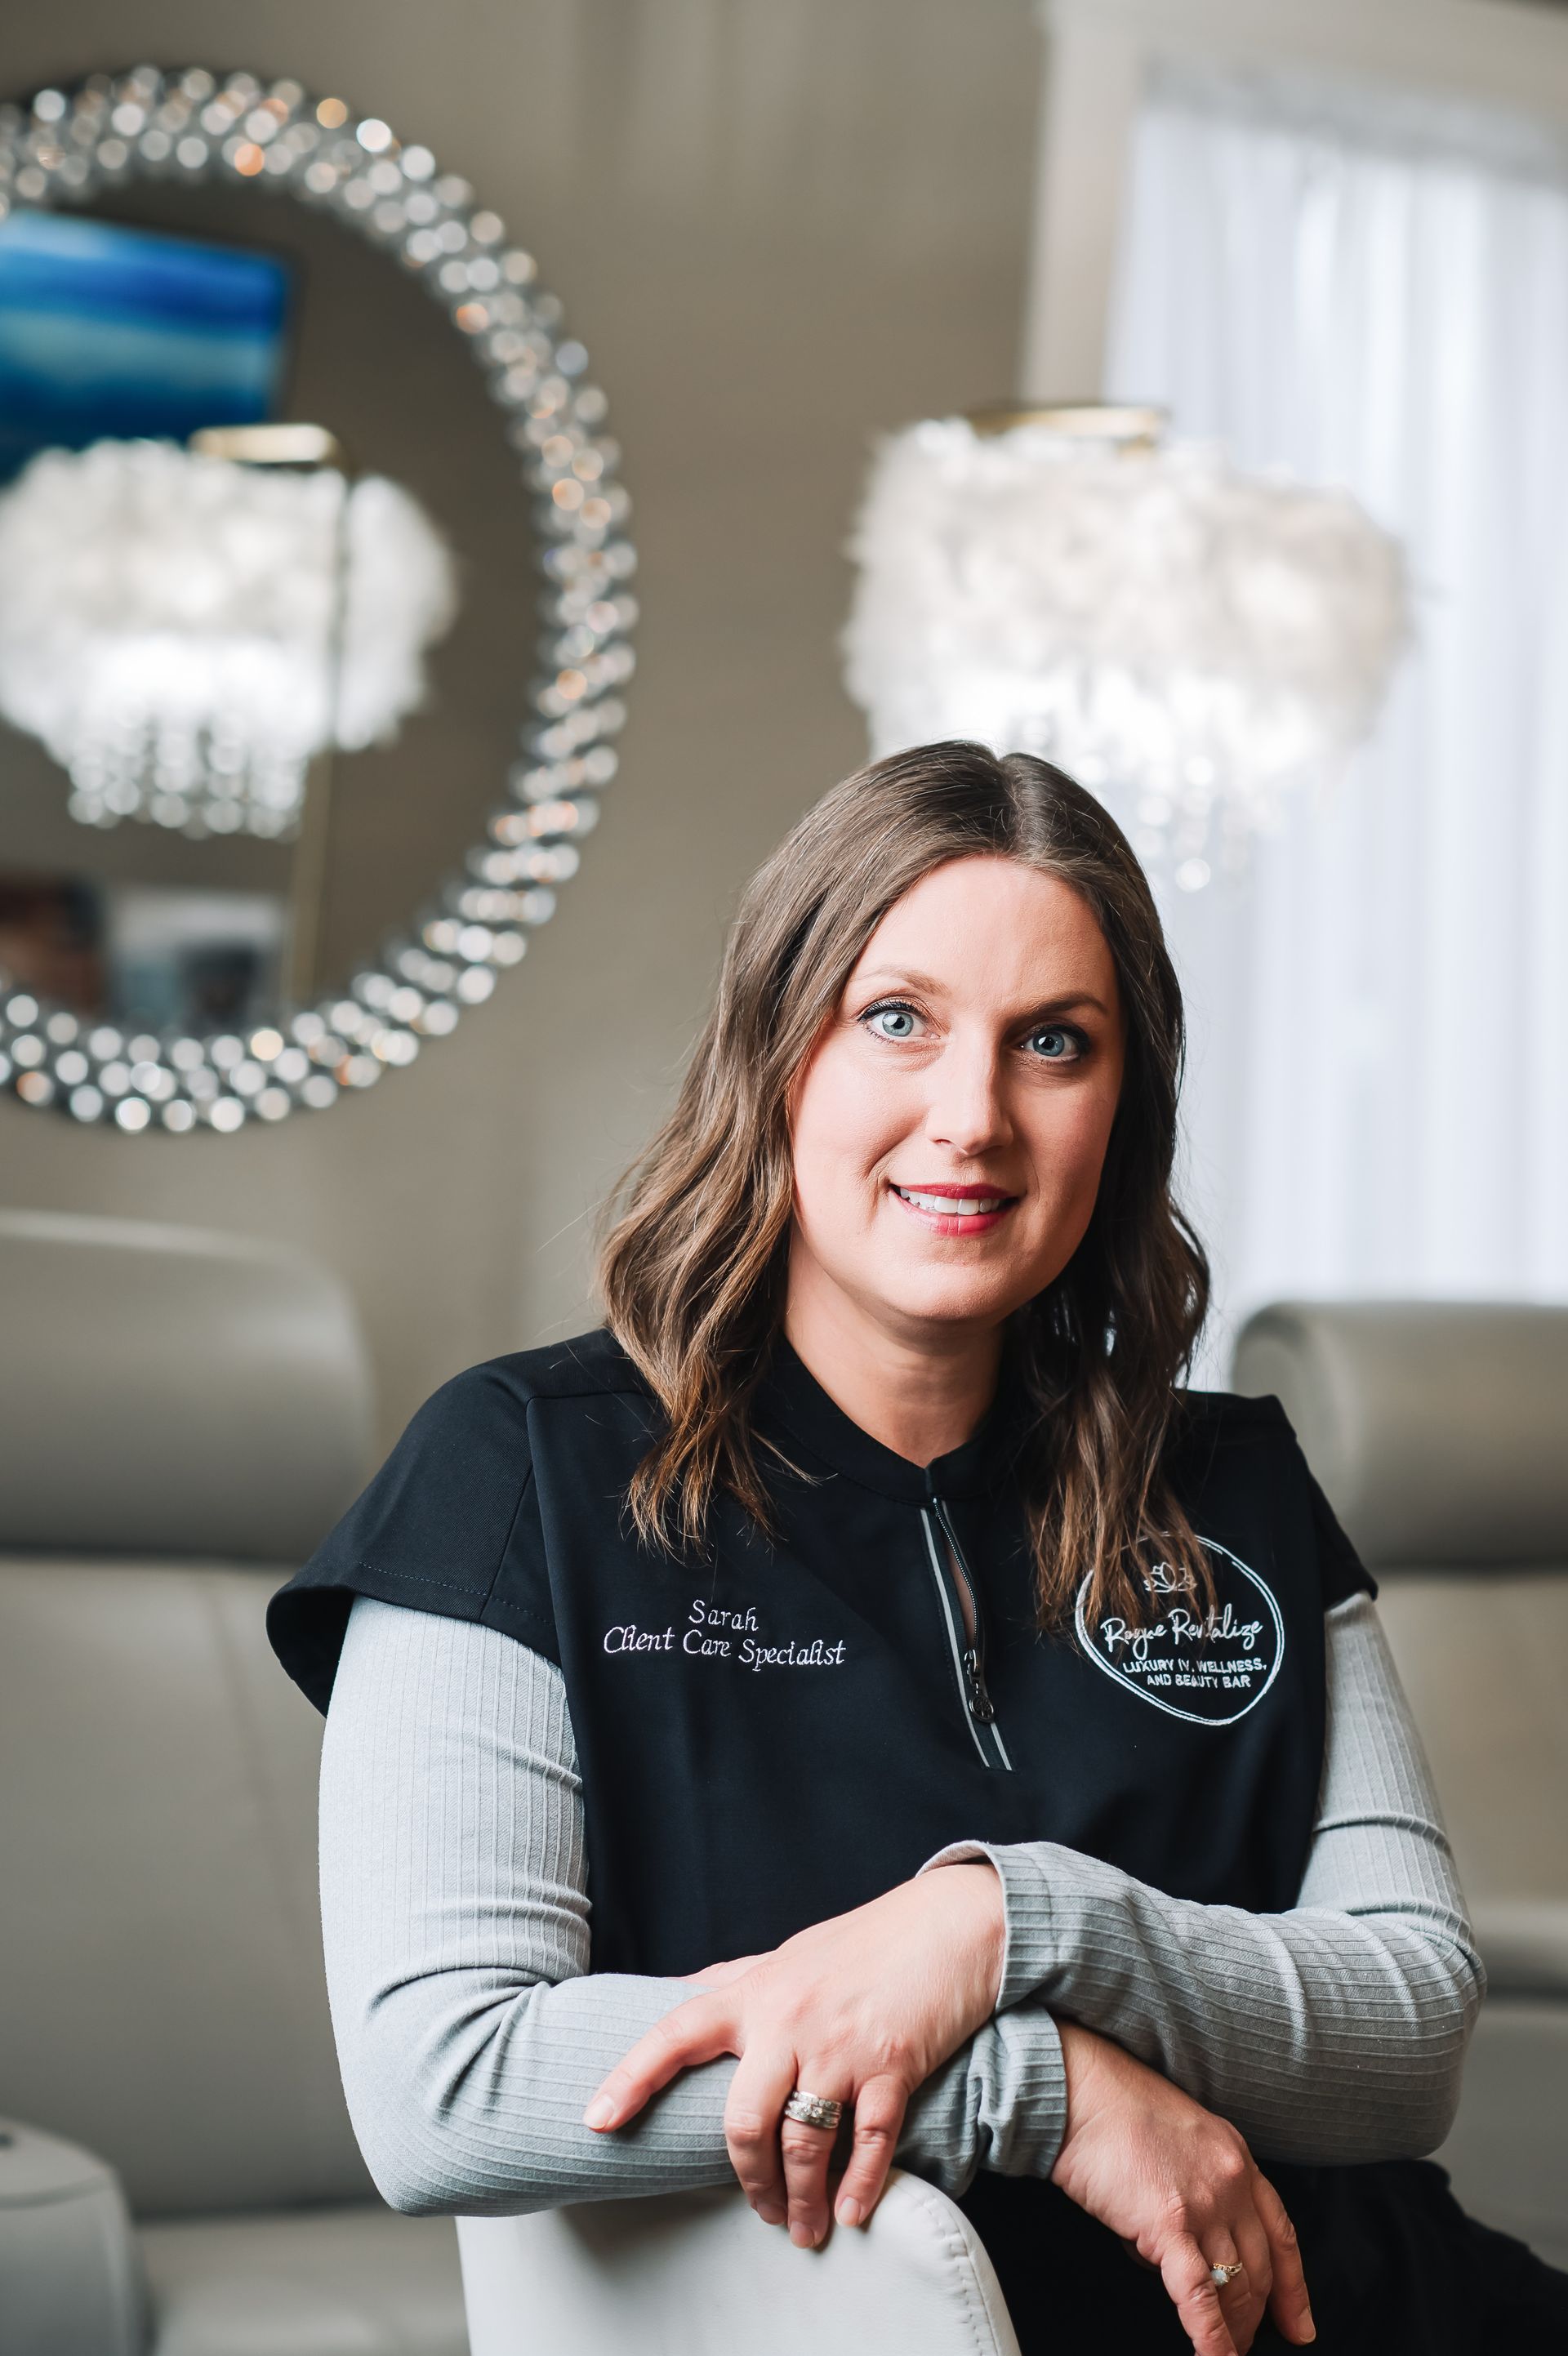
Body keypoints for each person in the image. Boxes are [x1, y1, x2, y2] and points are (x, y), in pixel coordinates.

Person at [270, 743, 1568, 2355]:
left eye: (1054, 1045)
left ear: (1125, 1104)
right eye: (899, 1020)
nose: (973, 1118)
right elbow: (449, 2080)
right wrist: (1046, 2089)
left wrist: (1007, 1926)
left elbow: (1411, 2031)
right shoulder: (519, 1472)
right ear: (778, 1053)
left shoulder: (1234, 1487)